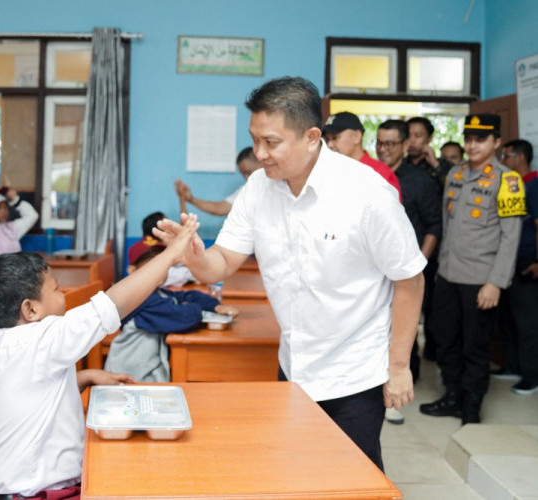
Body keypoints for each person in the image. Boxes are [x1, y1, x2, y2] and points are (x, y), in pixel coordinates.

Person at [154, 77, 425, 471]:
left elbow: (409, 280)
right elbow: (225, 260)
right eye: (255, 140)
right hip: (295, 364)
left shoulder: (367, 195)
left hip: (354, 372)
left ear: (312, 137)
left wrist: (398, 367)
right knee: (297, 470)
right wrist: (194, 256)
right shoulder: (258, 190)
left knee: (351, 479)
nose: (260, 154)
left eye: (272, 142)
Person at [0, 215, 200, 498]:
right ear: (30, 310)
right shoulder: (40, 340)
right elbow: (112, 305)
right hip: (34, 492)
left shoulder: (6, 344)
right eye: (56, 290)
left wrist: (86, 376)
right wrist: (171, 254)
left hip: (13, 486)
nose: (64, 296)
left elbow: (33, 391)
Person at [419, 114, 525, 424]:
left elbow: (511, 237)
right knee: (445, 340)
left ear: (496, 142)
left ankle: (471, 407)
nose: (472, 145)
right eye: (468, 138)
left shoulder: (509, 181)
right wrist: (439, 272)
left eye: (480, 139)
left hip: (480, 280)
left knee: (475, 347)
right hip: (448, 276)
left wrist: (496, 283)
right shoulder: (455, 174)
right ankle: (452, 396)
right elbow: (448, 226)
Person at [105, 237, 238, 382]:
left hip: (145, 371)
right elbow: (185, 317)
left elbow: (187, 295)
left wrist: (215, 306)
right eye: (151, 265)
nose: (160, 271)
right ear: (132, 270)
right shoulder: (142, 300)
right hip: (128, 376)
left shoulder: (157, 292)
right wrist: (197, 309)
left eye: (163, 264)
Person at [377, 120, 443, 403]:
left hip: (408, 271)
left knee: (406, 330)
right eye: (379, 143)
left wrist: (418, 267)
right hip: (377, 271)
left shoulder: (421, 181)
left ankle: (405, 387)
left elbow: (434, 227)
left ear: (405, 145)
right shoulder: (369, 175)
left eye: (390, 144)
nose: (383, 150)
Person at [496, 139, 538, 395]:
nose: (502, 160)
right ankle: (511, 365)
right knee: (508, 319)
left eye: (506, 155)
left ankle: (531, 375)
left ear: (520, 157)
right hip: (508, 264)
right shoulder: (513, 185)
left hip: (526, 263)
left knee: (528, 322)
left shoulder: (534, 184)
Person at [323, 111, 402, 201]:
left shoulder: (380, 173)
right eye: (327, 139)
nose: (329, 144)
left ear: (357, 136)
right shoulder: (328, 171)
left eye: (335, 137)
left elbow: (391, 213)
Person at [174, 147, 261, 216]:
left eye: (249, 172)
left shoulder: (273, 185)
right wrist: (190, 199)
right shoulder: (246, 191)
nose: (246, 178)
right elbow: (219, 208)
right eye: (243, 175)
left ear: (261, 163)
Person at [0, 187, 38, 257]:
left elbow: (32, 216)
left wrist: (16, 200)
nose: (4, 212)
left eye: (5, 207)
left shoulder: (12, 228)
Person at [141, 211, 194, 287]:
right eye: (166, 225)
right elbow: (173, 275)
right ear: (157, 229)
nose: (170, 228)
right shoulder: (152, 251)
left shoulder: (162, 246)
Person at [406, 117, 453, 191]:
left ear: (429, 139)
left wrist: (435, 164)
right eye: (408, 136)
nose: (412, 140)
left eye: (418, 135)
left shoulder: (443, 165)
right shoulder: (399, 165)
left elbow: (453, 189)